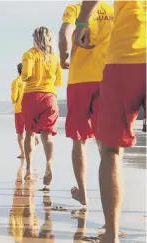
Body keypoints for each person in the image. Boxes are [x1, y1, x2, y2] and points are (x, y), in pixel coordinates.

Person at [74, 1, 146, 242]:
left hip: (125, 56)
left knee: (110, 150)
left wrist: (83, 20)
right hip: (123, 55)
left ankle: (111, 235)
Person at [58, 1, 114, 205]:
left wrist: (63, 56)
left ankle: (83, 193)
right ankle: (109, 198)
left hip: (80, 80)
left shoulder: (74, 9)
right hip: (107, 78)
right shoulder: (111, 11)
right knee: (106, 142)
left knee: (79, 139)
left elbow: (65, 32)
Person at [21, 27, 63, 182]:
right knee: (47, 135)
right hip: (49, 97)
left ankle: (29, 169)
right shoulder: (55, 57)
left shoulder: (29, 54)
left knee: (30, 134)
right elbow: (58, 81)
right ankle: (49, 163)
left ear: (35, 38)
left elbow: (25, 75)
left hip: (31, 96)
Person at [11, 63, 39, 159]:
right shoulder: (31, 81)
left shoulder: (16, 82)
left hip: (19, 110)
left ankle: (23, 152)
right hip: (30, 110)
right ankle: (34, 139)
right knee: (30, 131)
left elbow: (14, 98)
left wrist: (14, 99)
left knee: (20, 133)